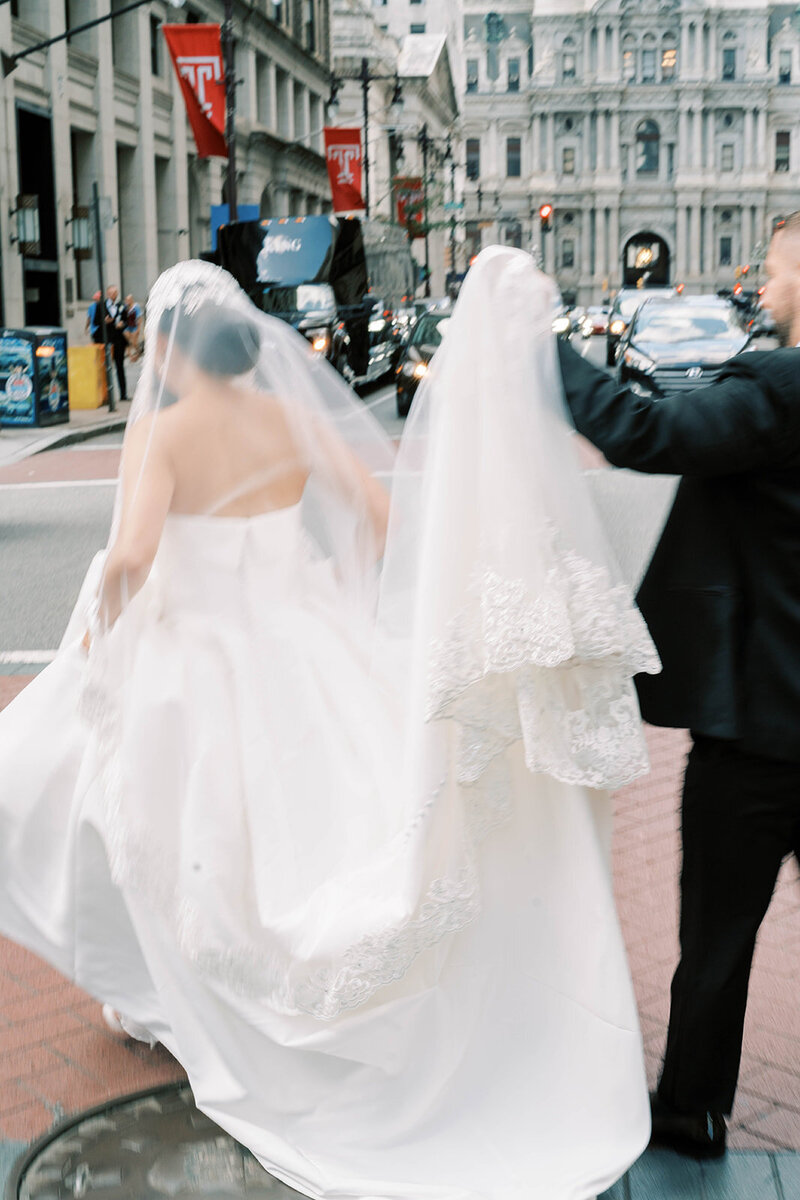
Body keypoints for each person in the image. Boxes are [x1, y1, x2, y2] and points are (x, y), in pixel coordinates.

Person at [0, 251, 658, 1200]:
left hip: (203, 651)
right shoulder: (289, 414)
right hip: (304, 638)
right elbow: (381, 514)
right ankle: (181, 994)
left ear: (174, 349)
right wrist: (340, 594)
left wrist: (101, 611)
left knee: (168, 830)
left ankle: (191, 999)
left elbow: (135, 551)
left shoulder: (170, 433)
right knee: (299, 835)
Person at [554, 213, 800, 1160]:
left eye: (775, 273)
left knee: (718, 937)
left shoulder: (779, 389)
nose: (762, 287)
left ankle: (692, 1109)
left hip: (762, 729)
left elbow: (642, 432)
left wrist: (540, 355)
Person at [105, 285, 129, 401]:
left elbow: (126, 321)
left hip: (119, 341)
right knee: (105, 368)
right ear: (107, 294)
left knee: (120, 367)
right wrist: (106, 322)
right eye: (112, 293)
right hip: (107, 341)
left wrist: (122, 324)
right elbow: (96, 322)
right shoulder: (101, 306)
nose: (114, 295)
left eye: (116, 292)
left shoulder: (121, 306)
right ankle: (106, 397)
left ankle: (123, 394)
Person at [124, 293, 142, 361]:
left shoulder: (136, 307)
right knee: (127, 341)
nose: (127, 301)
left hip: (134, 326)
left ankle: (138, 351)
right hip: (127, 327)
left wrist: (138, 329)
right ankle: (130, 356)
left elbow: (139, 318)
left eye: (128, 300)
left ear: (132, 300)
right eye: (126, 300)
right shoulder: (125, 306)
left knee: (134, 343)